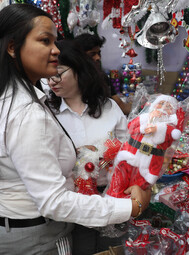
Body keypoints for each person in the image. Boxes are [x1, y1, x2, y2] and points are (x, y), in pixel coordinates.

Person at [0, 4, 151, 255]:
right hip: (37, 237)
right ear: (13, 47)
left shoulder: (15, 100)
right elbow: (54, 202)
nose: (55, 50)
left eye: (55, 42)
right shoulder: (27, 113)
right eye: (45, 40)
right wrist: (132, 207)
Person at [47, 39, 127, 254]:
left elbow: (129, 150)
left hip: (112, 196)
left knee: (113, 249)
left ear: (78, 69)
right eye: (48, 77)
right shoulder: (47, 114)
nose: (52, 82)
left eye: (59, 73)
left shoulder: (108, 107)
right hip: (71, 204)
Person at [107, 95, 182, 198]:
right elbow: (130, 128)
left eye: (168, 107)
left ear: (171, 112)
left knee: (137, 188)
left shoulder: (168, 128)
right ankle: (112, 199)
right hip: (128, 156)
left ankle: (130, 208)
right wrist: (143, 128)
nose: (163, 108)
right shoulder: (143, 118)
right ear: (154, 105)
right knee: (118, 182)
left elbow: (174, 136)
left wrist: (157, 128)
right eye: (160, 104)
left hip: (148, 166)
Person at [73, 33, 132, 115]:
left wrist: (141, 109)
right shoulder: (72, 80)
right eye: (92, 54)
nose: (98, 58)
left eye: (99, 53)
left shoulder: (101, 77)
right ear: (80, 56)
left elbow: (120, 105)